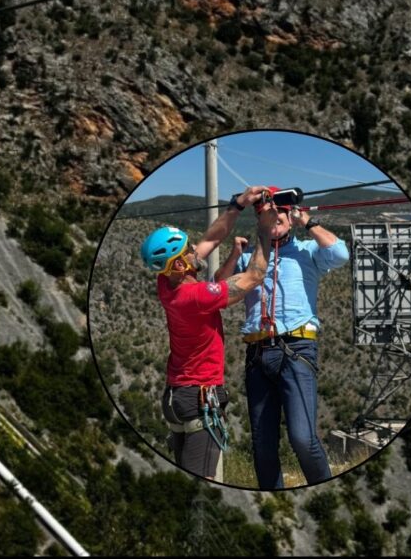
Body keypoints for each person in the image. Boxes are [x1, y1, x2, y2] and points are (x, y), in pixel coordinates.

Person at [140, 184, 275, 480]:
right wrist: (265, 229)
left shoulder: (167, 283)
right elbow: (255, 276)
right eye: (187, 251)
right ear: (178, 264)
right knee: (201, 485)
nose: (193, 251)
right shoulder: (196, 297)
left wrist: (237, 205)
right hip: (200, 397)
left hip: (177, 398)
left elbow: (211, 240)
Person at [226, 185, 350, 489]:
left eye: (280, 213)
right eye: (268, 214)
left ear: (289, 216)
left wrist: (306, 221)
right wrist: (234, 255)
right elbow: (220, 289)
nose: (275, 218)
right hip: (257, 352)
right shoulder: (250, 260)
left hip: (296, 348)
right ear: (260, 220)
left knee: (302, 438)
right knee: (263, 446)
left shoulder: (307, 251)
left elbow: (340, 253)